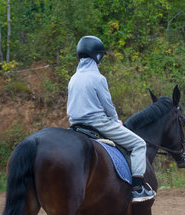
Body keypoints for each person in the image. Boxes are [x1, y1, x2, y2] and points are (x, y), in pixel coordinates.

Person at [66, 35, 156, 203]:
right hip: (98, 124)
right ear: (97, 56)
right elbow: (108, 105)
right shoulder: (98, 78)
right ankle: (137, 188)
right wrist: (116, 122)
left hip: (75, 125)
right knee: (139, 144)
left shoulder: (73, 78)